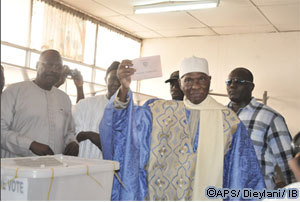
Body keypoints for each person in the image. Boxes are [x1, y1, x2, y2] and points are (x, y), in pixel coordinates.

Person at [100, 56, 265, 200]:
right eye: (188, 80)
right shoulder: (158, 111)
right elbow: (123, 126)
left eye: (201, 79)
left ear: (209, 80)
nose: (195, 85)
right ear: (180, 83)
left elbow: (243, 173)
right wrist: (124, 88)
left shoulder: (229, 121)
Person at [226, 67, 295, 190]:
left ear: (251, 87)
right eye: (229, 82)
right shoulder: (220, 115)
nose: (232, 85)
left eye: (238, 82)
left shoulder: (270, 118)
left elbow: (288, 162)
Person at [1, 49, 79, 158]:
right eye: (49, 65)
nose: (53, 70)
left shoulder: (64, 98)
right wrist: (30, 145)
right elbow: (1, 130)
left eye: (58, 67)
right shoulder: (14, 91)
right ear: (37, 65)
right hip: (18, 169)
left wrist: (72, 142)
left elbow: (69, 131)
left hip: (53, 168)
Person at [73, 61, 121, 159]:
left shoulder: (129, 110)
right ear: (105, 79)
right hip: (83, 164)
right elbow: (73, 131)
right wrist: (88, 135)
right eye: (112, 78)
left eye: (120, 79)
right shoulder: (87, 103)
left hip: (110, 168)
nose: (116, 83)